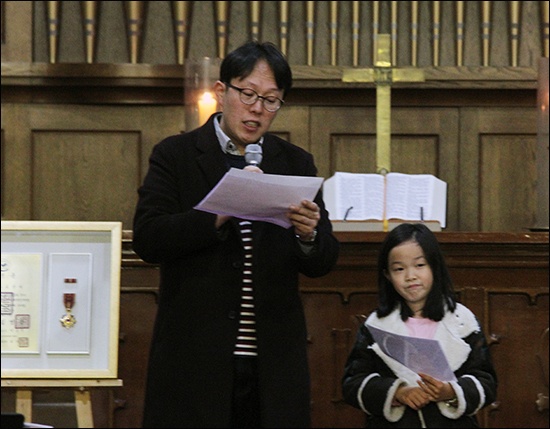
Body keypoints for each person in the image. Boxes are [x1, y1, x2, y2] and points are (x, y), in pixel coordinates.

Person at [132, 40, 340, 428]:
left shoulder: (294, 162)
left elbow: (323, 260)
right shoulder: (176, 155)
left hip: (271, 363)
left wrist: (309, 235)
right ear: (222, 92)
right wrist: (218, 212)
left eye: (271, 100)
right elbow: (148, 237)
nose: (258, 109)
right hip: (196, 360)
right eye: (249, 94)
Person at [342, 223, 497, 428]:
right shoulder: (376, 325)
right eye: (399, 269)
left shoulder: (463, 321)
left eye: (420, 265)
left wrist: (449, 392)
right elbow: (352, 382)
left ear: (435, 266)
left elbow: (486, 382)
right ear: (387, 275)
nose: (410, 276)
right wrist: (397, 392)